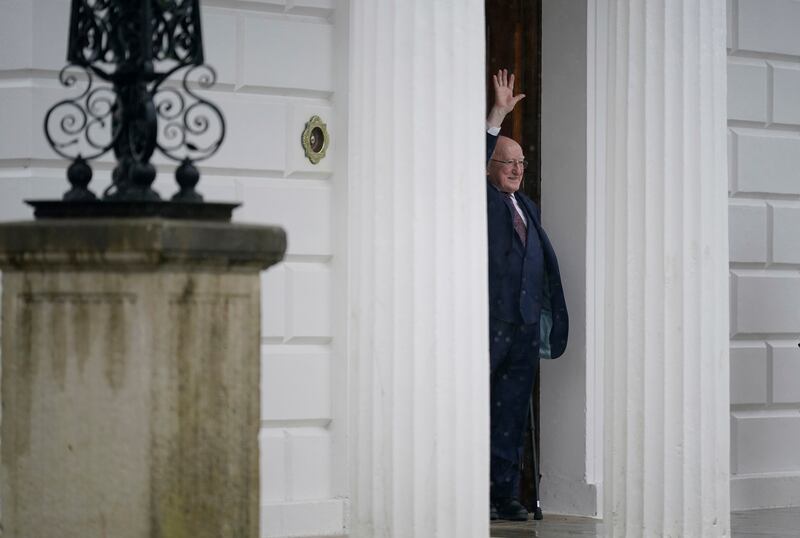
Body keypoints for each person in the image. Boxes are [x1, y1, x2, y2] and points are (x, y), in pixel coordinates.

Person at [485, 69, 569, 521]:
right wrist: (497, 115)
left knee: (512, 411)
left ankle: (504, 494)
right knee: (478, 405)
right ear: (489, 167)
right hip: (488, 323)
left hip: (522, 326)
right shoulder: (482, 200)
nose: (518, 169)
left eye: (521, 163)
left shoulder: (526, 205)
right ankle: (471, 486)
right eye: (507, 162)